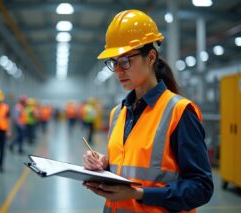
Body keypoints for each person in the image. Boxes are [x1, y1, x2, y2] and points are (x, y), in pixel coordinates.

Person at [83, 10, 213, 213]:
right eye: (114, 62)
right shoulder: (118, 113)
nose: (118, 70)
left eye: (125, 61)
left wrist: (140, 194)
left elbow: (201, 188)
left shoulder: (179, 112)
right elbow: (129, 167)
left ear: (150, 57)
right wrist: (103, 166)